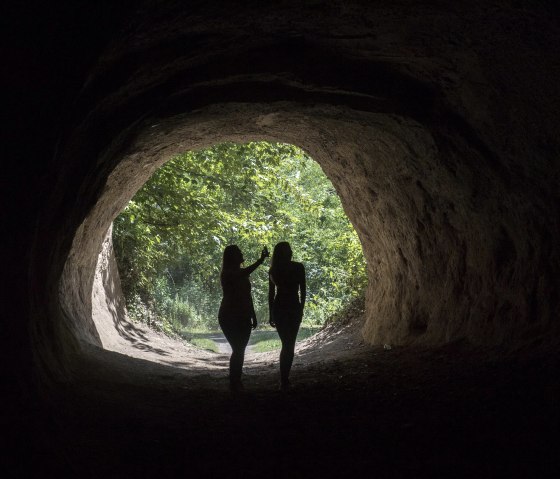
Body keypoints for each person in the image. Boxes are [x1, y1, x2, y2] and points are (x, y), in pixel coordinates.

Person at [219, 244, 269, 391]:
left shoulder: (241, 273)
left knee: (240, 349)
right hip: (229, 314)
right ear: (232, 257)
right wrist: (260, 261)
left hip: (243, 315)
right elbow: (243, 273)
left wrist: (253, 314)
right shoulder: (228, 273)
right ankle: (234, 382)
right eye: (238, 252)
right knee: (238, 348)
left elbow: (248, 295)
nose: (242, 253)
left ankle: (236, 381)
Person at [268, 242, 306, 390]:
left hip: (280, 307)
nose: (290, 251)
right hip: (292, 306)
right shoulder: (297, 267)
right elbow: (302, 290)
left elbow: (271, 294)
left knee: (287, 344)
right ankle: (284, 379)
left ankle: (284, 379)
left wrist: (271, 312)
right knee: (289, 344)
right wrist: (301, 308)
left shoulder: (274, 269)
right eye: (288, 250)